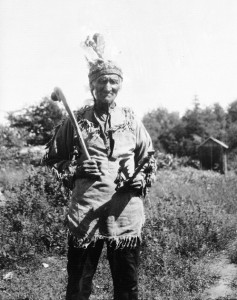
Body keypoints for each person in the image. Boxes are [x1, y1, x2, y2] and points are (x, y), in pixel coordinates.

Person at [44, 35, 155, 300]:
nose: (108, 85)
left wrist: (139, 178)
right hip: (85, 215)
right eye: (102, 80)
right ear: (92, 85)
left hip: (124, 214)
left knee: (127, 286)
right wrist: (76, 169)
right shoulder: (77, 121)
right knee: (79, 285)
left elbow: (148, 159)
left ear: (120, 85)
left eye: (113, 81)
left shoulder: (131, 120)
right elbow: (51, 159)